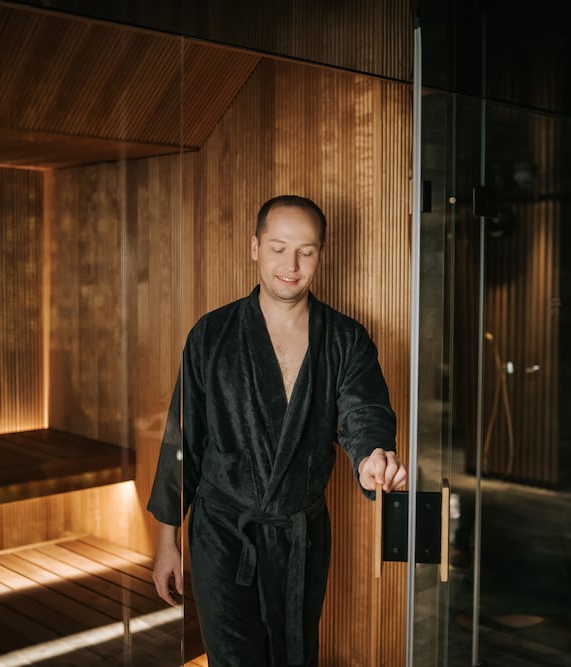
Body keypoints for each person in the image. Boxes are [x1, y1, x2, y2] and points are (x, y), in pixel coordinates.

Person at [148, 195, 407, 667]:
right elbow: (181, 441)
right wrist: (167, 543)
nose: (291, 265)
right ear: (255, 248)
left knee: (295, 656)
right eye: (278, 248)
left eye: (306, 251)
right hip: (223, 535)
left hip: (299, 538)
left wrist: (373, 457)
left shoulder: (345, 339)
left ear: (320, 254)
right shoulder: (211, 335)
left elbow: (364, 412)